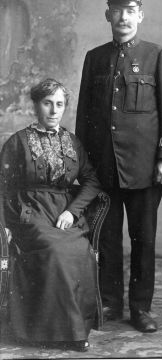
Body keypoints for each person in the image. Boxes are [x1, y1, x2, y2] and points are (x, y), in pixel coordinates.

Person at [75, 0, 162, 332]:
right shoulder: (95, 58)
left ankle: (140, 308)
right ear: (108, 15)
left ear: (140, 15)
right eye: (117, 11)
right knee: (105, 238)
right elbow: (83, 116)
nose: (124, 17)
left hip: (144, 167)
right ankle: (109, 302)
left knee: (143, 239)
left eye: (130, 11)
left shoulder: (157, 55)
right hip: (103, 167)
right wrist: (82, 165)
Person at [0, 78, 102, 352]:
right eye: (47, 103)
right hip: (30, 212)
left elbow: (91, 181)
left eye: (59, 104)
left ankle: (76, 331)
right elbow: (3, 185)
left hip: (64, 213)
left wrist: (72, 211)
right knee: (53, 250)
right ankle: (46, 332)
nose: (54, 110)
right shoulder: (18, 141)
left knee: (77, 249)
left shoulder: (72, 141)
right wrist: (6, 224)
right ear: (36, 106)